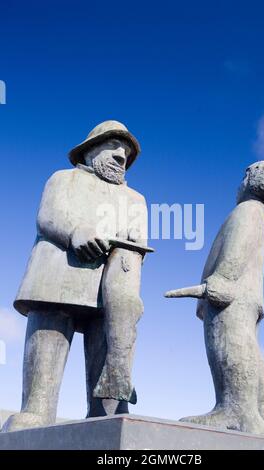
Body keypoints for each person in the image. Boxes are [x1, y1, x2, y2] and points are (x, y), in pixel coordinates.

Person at [4, 120, 149, 432]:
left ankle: (105, 415)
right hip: (58, 277)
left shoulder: (136, 200)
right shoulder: (63, 179)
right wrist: (75, 232)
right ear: (90, 150)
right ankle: (37, 410)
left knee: (110, 346)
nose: (120, 152)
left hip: (111, 289)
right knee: (48, 336)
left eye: (126, 150)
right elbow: (47, 216)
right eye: (112, 144)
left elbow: (139, 246)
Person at [165, 160, 264, 435]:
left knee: (231, 343)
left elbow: (237, 247)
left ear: (250, 178)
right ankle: (258, 415)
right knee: (247, 344)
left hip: (230, 296)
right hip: (247, 297)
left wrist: (221, 279)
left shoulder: (247, 211)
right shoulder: (260, 215)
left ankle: (235, 409)